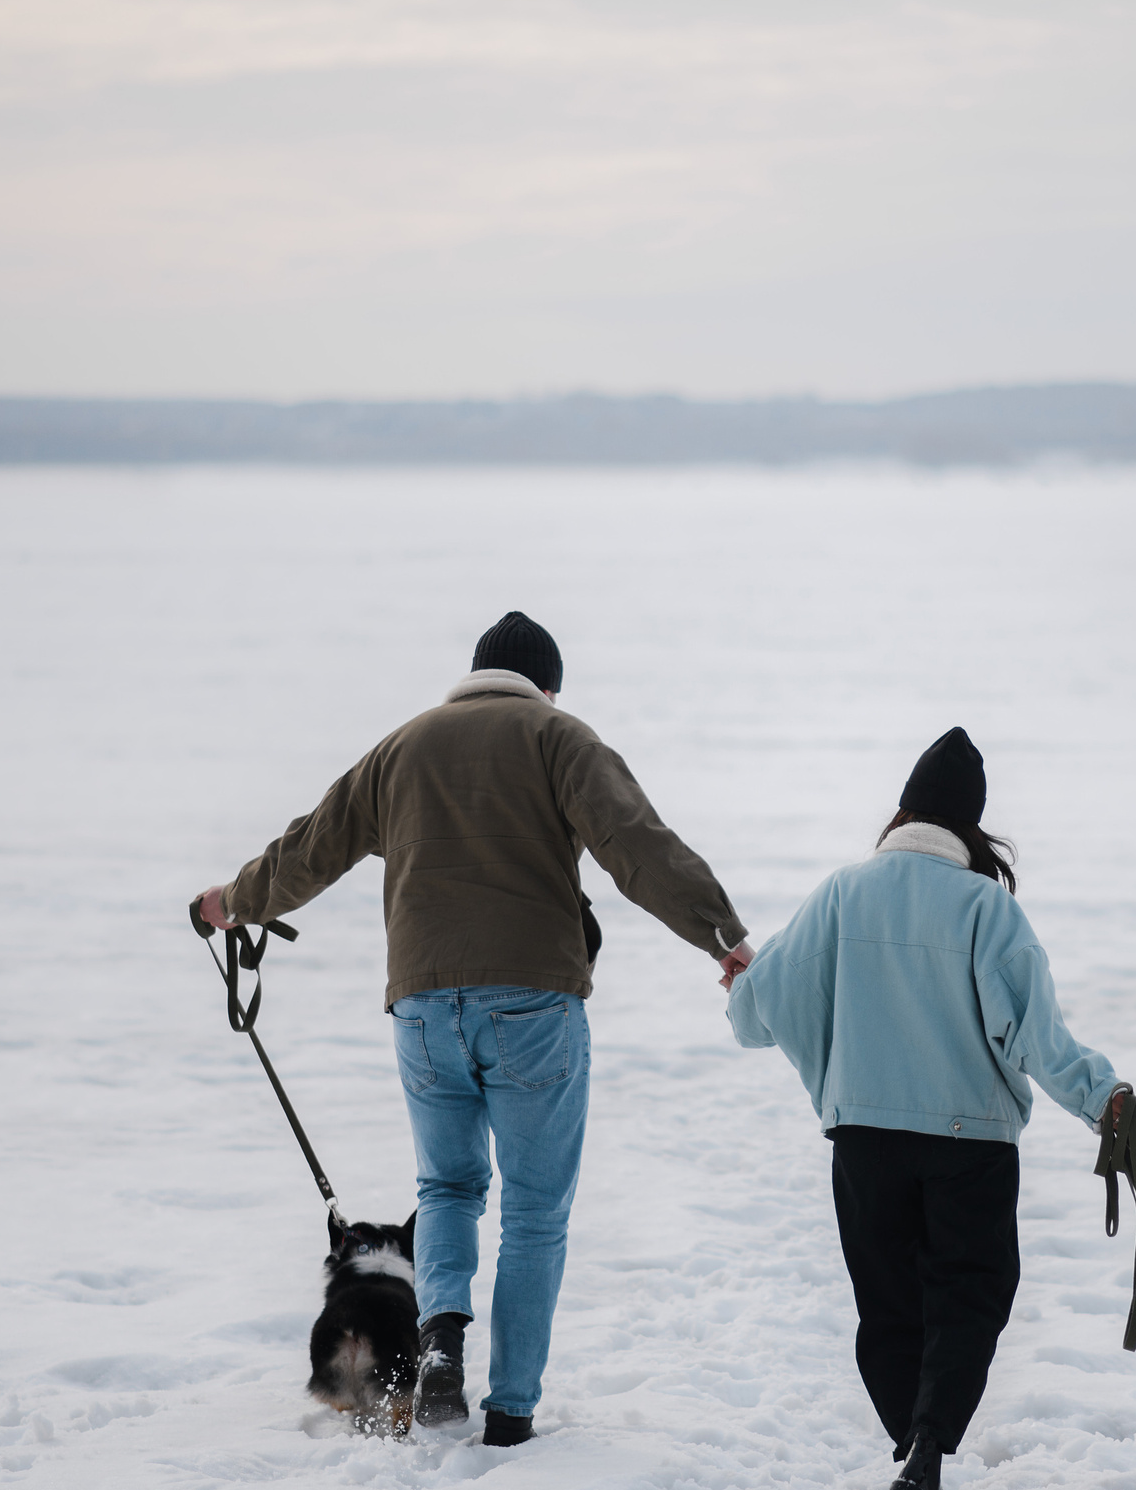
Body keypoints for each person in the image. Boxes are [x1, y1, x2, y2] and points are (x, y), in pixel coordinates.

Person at [197, 612, 753, 1447]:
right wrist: (723, 936)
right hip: (533, 1004)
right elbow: (637, 845)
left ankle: (440, 1339)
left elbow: (309, 848)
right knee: (534, 1212)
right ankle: (512, 1409)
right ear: (546, 686)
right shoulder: (558, 737)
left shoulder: (400, 748)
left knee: (447, 1189)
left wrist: (231, 903)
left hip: (422, 1006)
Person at [722, 726, 1133, 1490]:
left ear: (903, 811)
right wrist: (1102, 1099)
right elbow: (1035, 1035)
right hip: (970, 1143)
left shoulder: (841, 893)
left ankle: (914, 1441)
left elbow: (760, 1013)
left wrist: (742, 987)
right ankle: (929, 1447)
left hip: (865, 1139)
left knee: (889, 1307)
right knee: (968, 1295)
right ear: (970, 827)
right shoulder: (988, 908)